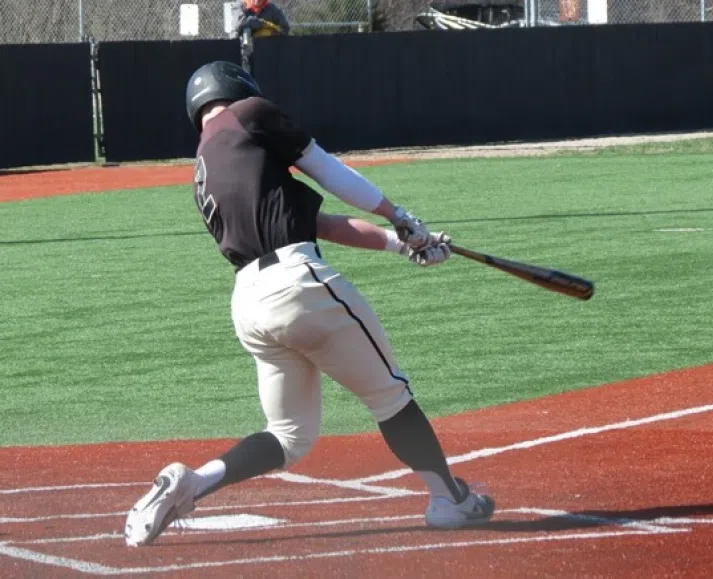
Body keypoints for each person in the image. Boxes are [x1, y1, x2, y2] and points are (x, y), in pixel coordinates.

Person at [124, 60, 495, 547]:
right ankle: (450, 499)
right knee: (390, 396)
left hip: (251, 304)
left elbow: (321, 225)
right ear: (236, 88)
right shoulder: (250, 113)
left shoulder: (207, 163)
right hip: (297, 285)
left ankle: (194, 482)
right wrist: (398, 214)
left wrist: (404, 244)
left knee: (289, 435)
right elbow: (325, 168)